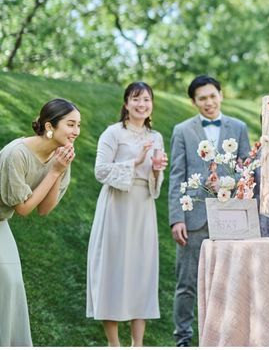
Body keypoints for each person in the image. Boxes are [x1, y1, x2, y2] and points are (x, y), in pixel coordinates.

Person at [168, 75, 251, 347]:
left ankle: (225, 339)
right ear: (194, 102)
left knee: (229, 283)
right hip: (193, 218)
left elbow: (248, 173)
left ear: (221, 95)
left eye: (213, 96)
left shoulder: (238, 128)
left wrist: (227, 182)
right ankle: (183, 339)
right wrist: (176, 218)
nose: (209, 102)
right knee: (187, 283)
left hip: (230, 218)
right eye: (202, 98)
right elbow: (176, 175)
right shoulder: (182, 130)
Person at [86, 82, 167, 346]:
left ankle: (137, 344)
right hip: (117, 206)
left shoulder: (156, 137)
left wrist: (156, 169)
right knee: (113, 269)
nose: (142, 104)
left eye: (146, 99)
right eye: (136, 99)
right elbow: (100, 171)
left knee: (141, 271)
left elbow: (155, 179)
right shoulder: (113, 133)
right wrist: (135, 161)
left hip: (143, 206)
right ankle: (114, 344)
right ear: (126, 103)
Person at [0, 98, 80, 346]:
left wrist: (59, 170)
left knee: (11, 285)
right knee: (7, 281)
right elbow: (24, 208)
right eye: (70, 124)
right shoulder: (17, 153)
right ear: (49, 126)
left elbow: (44, 209)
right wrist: (54, 171)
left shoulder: (60, 157)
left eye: (78, 125)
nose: (76, 131)